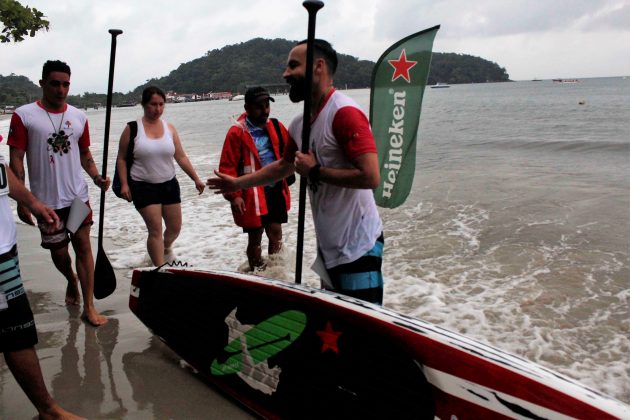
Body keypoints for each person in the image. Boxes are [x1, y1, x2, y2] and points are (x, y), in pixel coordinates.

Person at [208, 40, 385, 305]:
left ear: (318, 67)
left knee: (364, 330)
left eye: (293, 65)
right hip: (330, 248)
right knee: (336, 329)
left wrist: (316, 170)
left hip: (358, 245)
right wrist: (237, 183)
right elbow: (283, 166)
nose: (285, 74)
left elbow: (370, 177)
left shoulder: (344, 112)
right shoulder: (300, 123)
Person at [7, 60, 109, 326]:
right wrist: (23, 199)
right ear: (42, 84)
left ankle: (89, 306)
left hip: (77, 197)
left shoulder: (79, 116)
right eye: (55, 83)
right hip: (45, 204)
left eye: (65, 84)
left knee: (83, 246)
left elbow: (85, 154)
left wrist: (96, 176)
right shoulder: (24, 115)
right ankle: (71, 280)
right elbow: (16, 157)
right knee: (60, 254)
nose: (61, 89)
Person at [1, 153, 85, 420]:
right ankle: (48, 411)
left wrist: (33, 203)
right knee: (17, 330)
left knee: (13, 330)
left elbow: (2, 172)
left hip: (6, 247)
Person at [115, 86, 205, 266]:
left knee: (174, 228)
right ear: (144, 104)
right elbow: (122, 159)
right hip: (143, 186)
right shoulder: (132, 129)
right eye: (153, 104)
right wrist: (124, 184)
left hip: (169, 184)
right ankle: (160, 270)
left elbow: (180, 156)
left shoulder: (169, 128)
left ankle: (166, 248)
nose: (157, 109)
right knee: (155, 230)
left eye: (161, 104)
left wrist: (195, 178)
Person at [218, 86, 292, 271]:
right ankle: (256, 273)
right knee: (255, 236)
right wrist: (234, 195)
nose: (265, 110)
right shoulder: (236, 132)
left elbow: (290, 153)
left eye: (267, 105)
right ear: (247, 108)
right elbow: (227, 167)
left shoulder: (276, 126)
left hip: (274, 189)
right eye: (259, 106)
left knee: (276, 232)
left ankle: (276, 274)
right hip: (251, 193)